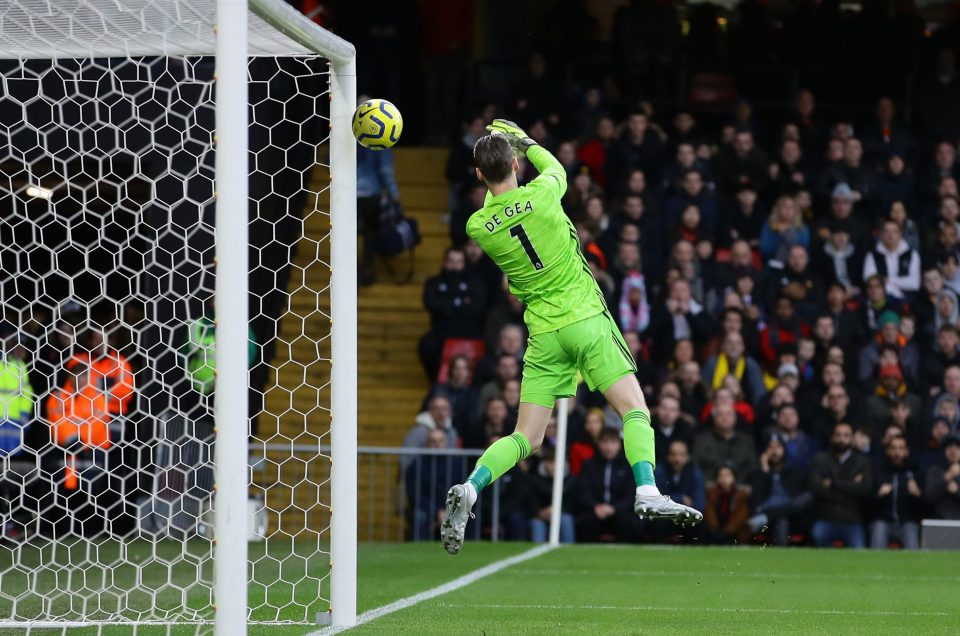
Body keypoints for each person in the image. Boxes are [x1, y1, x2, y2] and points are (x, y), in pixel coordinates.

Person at [442, 120, 701, 555]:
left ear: (478, 176)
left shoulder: (478, 226)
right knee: (635, 410)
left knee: (526, 438)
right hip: (585, 320)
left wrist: (496, 162)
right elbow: (555, 165)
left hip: (543, 334)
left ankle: (471, 486)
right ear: (516, 164)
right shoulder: (545, 193)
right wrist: (525, 142)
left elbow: (498, 194)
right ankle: (647, 490)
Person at [574, 428, 644, 543]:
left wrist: (614, 508)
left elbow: (631, 495)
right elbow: (583, 491)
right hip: (594, 511)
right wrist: (595, 507)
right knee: (585, 522)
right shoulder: (589, 465)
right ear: (599, 444)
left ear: (619, 444)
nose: (608, 447)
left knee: (628, 523)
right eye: (604, 442)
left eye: (612, 442)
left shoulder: (628, 466)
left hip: (620, 512)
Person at [809, 422, 872, 548]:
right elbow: (815, 488)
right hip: (825, 517)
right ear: (832, 437)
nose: (841, 439)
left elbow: (865, 489)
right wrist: (850, 487)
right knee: (817, 535)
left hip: (851, 520)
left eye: (846, 435)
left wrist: (833, 484)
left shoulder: (862, 461)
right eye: (837, 435)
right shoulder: (820, 459)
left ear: (852, 438)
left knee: (859, 550)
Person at [748, 435, 812, 545]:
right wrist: (765, 470)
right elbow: (756, 498)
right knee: (781, 520)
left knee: (807, 497)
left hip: (790, 516)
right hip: (766, 517)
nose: (774, 451)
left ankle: (768, 517)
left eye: (778, 447)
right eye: (770, 448)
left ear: (784, 450)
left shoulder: (793, 472)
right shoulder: (757, 474)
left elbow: (797, 499)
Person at [406, 428, 464, 541]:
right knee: (420, 517)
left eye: (441, 441)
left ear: (446, 443)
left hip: (452, 508)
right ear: (427, 444)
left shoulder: (457, 464)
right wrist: (437, 511)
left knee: (473, 515)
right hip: (427, 509)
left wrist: (448, 511)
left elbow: (462, 491)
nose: (437, 445)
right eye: (433, 441)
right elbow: (415, 495)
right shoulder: (416, 466)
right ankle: (418, 551)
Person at [869, 434, 922, 549]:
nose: (897, 453)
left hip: (907, 522)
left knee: (913, 548)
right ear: (887, 451)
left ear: (906, 451)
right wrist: (879, 495)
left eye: (901, 448)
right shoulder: (878, 473)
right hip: (882, 521)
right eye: (893, 448)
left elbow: (924, 508)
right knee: (878, 532)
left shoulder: (914, 474)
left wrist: (917, 494)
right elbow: (866, 505)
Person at [703, 464, 752, 545]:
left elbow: (741, 516)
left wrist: (727, 531)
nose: (724, 479)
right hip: (714, 531)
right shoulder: (711, 493)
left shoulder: (741, 495)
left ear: (734, 478)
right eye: (721, 476)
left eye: (728, 475)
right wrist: (715, 529)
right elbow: (709, 513)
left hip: (733, 533)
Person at [924, 434, 960, 519]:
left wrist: (956, 492)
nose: (953, 451)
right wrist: (947, 478)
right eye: (949, 447)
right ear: (944, 451)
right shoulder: (935, 470)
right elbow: (929, 497)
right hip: (939, 520)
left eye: (957, 447)